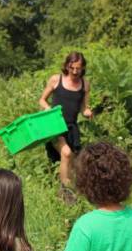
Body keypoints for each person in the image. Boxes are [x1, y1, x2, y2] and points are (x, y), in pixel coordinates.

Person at [38, 51, 93, 198]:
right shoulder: (56, 80)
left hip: (71, 127)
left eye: (78, 68)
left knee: (73, 163)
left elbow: (83, 107)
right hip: (55, 126)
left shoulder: (85, 84)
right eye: (72, 68)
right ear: (67, 66)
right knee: (66, 153)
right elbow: (42, 100)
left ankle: (78, 191)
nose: (75, 71)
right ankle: (65, 192)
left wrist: (87, 112)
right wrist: (48, 108)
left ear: (83, 68)